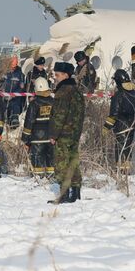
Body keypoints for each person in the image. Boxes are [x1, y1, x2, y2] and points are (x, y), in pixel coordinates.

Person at [48, 61, 85, 203]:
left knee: (61, 164)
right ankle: (75, 193)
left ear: (65, 75)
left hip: (63, 134)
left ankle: (64, 194)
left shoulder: (63, 91)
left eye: (57, 75)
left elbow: (59, 115)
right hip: (74, 134)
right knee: (73, 162)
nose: (55, 77)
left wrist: (53, 135)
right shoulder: (77, 91)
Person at [103, 69, 135, 168]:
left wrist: (106, 127)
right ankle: (130, 169)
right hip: (134, 126)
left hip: (121, 127)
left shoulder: (118, 95)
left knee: (121, 149)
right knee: (129, 149)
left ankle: (123, 171)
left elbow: (114, 114)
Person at [21, 77, 54, 178]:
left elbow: (28, 124)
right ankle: (51, 180)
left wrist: (25, 140)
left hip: (37, 139)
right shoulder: (54, 102)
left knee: (37, 164)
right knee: (51, 163)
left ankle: (38, 182)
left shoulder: (33, 104)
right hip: (52, 138)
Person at [1, 56, 26, 128]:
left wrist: (13, 95)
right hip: (4, 98)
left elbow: (21, 87)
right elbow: (0, 83)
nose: (12, 69)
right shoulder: (4, 71)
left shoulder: (20, 73)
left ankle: (14, 123)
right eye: (11, 67)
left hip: (15, 98)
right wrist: (2, 92)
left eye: (14, 67)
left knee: (15, 109)